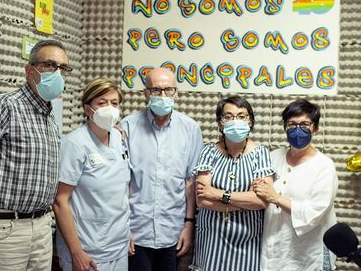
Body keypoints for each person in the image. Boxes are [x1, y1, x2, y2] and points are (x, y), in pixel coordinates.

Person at [0, 39, 71, 270]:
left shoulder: (50, 116)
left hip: (41, 227)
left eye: (63, 68)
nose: (58, 73)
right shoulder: (5, 106)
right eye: (50, 65)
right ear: (30, 70)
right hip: (6, 230)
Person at [121, 67, 203, 271]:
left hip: (173, 232)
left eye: (168, 90)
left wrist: (188, 224)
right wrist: (124, 228)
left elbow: (190, 181)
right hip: (136, 231)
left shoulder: (190, 129)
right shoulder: (128, 127)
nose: (163, 95)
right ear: (146, 93)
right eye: (156, 90)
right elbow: (123, 182)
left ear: (177, 92)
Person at [53, 78, 130, 271]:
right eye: (102, 103)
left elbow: (121, 192)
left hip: (118, 246)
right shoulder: (75, 144)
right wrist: (76, 251)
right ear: (87, 109)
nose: (109, 108)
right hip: (88, 249)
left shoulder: (119, 139)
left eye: (114, 103)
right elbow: (59, 201)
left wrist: (127, 233)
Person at [192, 96, 275, 271]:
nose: (235, 121)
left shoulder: (261, 154)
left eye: (241, 116)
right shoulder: (209, 152)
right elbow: (202, 199)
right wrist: (243, 204)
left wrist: (218, 194)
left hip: (247, 242)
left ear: (250, 122)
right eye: (228, 116)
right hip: (211, 240)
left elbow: (261, 201)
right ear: (220, 123)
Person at [254, 99, 338, 271]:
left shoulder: (324, 165)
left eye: (305, 124)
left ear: (315, 128)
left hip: (307, 254)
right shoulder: (273, 157)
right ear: (285, 127)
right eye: (292, 124)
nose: (297, 129)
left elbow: (316, 212)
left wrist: (275, 198)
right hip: (273, 248)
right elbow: (259, 191)